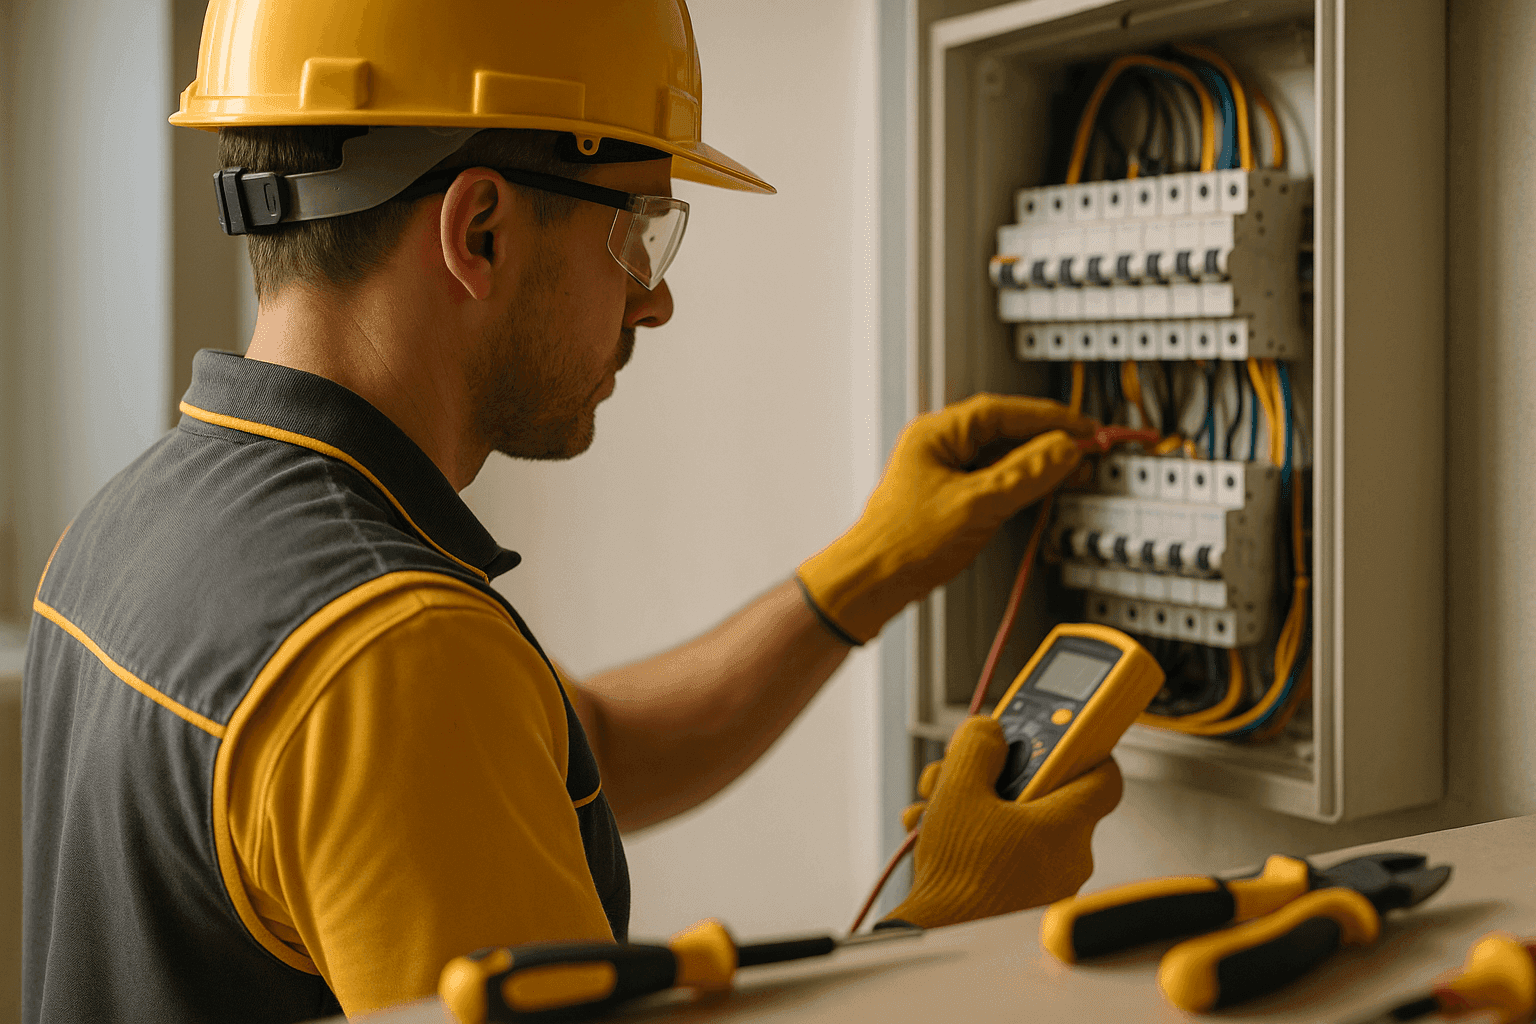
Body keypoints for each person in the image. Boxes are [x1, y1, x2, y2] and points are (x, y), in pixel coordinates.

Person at [21, 2, 1122, 1021]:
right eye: (636, 228)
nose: (655, 295)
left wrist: (870, 568)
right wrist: (956, 925)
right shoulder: (391, 654)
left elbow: (571, 752)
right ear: (481, 230)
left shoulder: (125, 528)